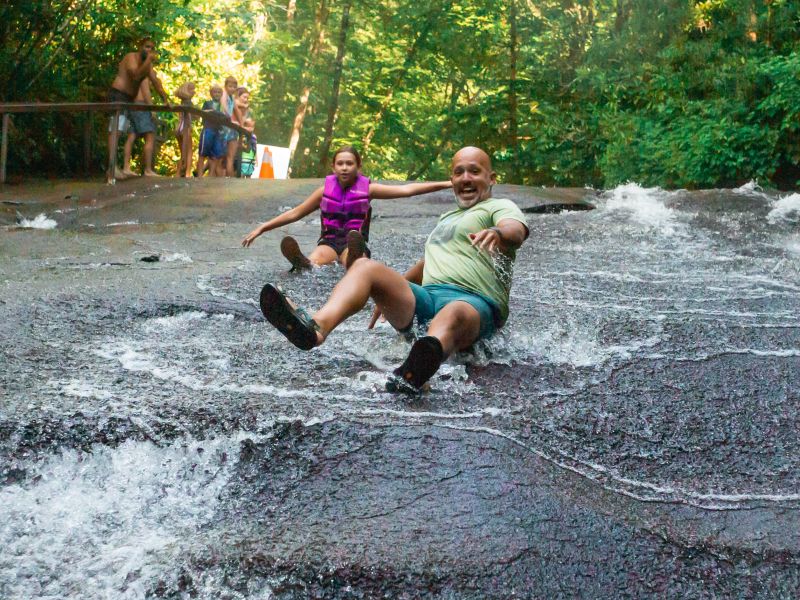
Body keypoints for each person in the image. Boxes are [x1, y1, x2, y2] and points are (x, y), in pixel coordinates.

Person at [258, 146, 529, 394]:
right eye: (459, 172)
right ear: (452, 179)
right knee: (364, 267)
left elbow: (515, 231)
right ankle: (315, 329)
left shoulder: (498, 207)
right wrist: (391, 289)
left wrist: (498, 233)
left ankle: (418, 368)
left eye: (474, 171)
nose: (466, 178)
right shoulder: (447, 218)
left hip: (473, 304)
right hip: (429, 298)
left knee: (453, 312)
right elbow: (430, 262)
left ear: (492, 179)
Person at [241, 146, 453, 270]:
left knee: (352, 261)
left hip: (353, 241)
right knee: (316, 259)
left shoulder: (368, 189)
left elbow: (407, 190)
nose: (344, 168)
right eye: (340, 163)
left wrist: (447, 183)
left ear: (358, 166)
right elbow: (295, 213)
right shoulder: (323, 191)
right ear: (333, 167)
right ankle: (303, 263)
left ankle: (355, 257)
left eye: (349, 163)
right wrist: (263, 227)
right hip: (329, 242)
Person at [107, 37, 170, 180]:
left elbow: (156, 82)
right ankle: (112, 168)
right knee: (116, 130)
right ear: (140, 47)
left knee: (123, 131)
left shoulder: (147, 65)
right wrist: (148, 61)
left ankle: (117, 167)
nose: (149, 50)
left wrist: (165, 99)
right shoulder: (131, 57)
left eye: (152, 48)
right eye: (147, 47)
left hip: (129, 100)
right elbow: (135, 75)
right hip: (118, 96)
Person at [196, 84, 225, 177]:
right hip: (208, 129)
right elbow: (202, 113)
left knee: (215, 154)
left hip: (218, 131)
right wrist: (211, 112)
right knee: (203, 153)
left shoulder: (223, 106)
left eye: (219, 92)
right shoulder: (207, 103)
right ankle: (199, 174)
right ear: (211, 93)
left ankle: (211, 175)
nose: (217, 94)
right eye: (215, 92)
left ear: (222, 94)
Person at [219, 76, 243, 177]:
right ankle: (219, 178)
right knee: (220, 157)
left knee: (230, 157)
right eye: (230, 86)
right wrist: (229, 118)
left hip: (230, 128)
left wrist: (241, 124)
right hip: (223, 127)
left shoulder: (232, 98)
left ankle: (230, 179)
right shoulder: (223, 94)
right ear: (225, 86)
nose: (232, 89)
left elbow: (237, 110)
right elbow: (223, 106)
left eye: (234, 87)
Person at [174, 82, 196, 177]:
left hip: (179, 128)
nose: (194, 91)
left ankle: (178, 173)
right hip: (186, 128)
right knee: (189, 151)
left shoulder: (182, 102)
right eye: (192, 89)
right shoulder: (189, 103)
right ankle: (187, 173)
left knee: (182, 152)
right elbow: (192, 117)